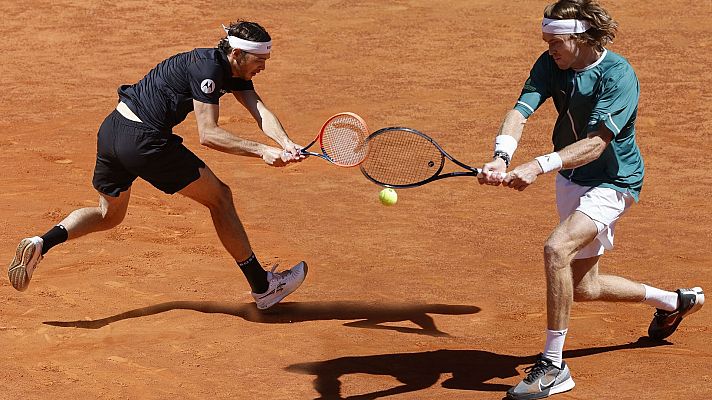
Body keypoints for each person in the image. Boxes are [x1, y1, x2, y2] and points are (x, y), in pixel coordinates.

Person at [477, 1, 704, 398]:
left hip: (614, 181)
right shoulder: (550, 63)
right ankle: (674, 301)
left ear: (581, 37)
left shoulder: (618, 75)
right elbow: (520, 110)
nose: (549, 47)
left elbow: (597, 145)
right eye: (546, 40)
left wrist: (536, 166)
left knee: (555, 250)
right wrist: (501, 156)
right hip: (571, 178)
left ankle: (553, 365)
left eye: (556, 40)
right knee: (581, 286)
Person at [8, 20, 308, 310]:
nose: (264, 67)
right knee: (220, 198)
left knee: (108, 214)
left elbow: (259, 109)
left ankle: (41, 243)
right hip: (144, 141)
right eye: (260, 59)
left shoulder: (230, 69)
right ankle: (263, 286)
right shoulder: (209, 69)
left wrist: (286, 143)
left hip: (113, 130)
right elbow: (209, 134)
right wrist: (262, 151)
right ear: (237, 54)